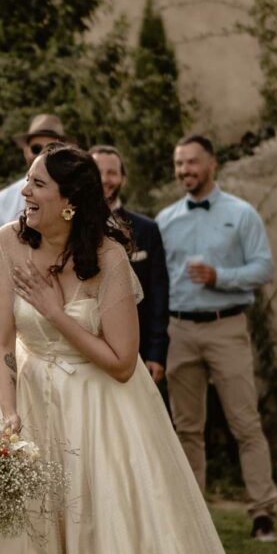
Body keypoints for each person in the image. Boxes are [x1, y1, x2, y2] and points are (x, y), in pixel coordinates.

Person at [0, 144, 234, 554]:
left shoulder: (109, 256)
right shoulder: (8, 242)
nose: (25, 191)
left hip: (101, 407)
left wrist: (54, 312)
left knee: (103, 525)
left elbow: (121, 363)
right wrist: (8, 415)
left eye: (38, 184)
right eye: (28, 180)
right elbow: (1, 342)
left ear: (69, 202)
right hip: (24, 395)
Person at [156, 134, 277, 541]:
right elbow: (157, 282)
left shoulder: (241, 215)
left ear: (211, 165)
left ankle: (262, 512)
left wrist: (220, 277)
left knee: (245, 422)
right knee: (187, 429)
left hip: (226, 326)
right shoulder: (165, 220)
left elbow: (263, 267)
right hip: (179, 330)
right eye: (179, 164)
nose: (184, 171)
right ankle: (194, 515)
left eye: (191, 163)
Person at [0, 114, 65, 369]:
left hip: (57, 328)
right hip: (8, 326)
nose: (41, 154)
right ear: (26, 150)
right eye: (36, 148)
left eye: (50, 148)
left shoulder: (73, 202)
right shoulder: (0, 202)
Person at [89, 145, 170, 383]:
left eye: (112, 172)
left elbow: (158, 294)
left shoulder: (147, 230)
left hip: (138, 350)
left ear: (123, 177)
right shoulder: (70, 228)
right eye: (98, 172)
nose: (105, 179)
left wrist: (157, 352)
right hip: (85, 349)